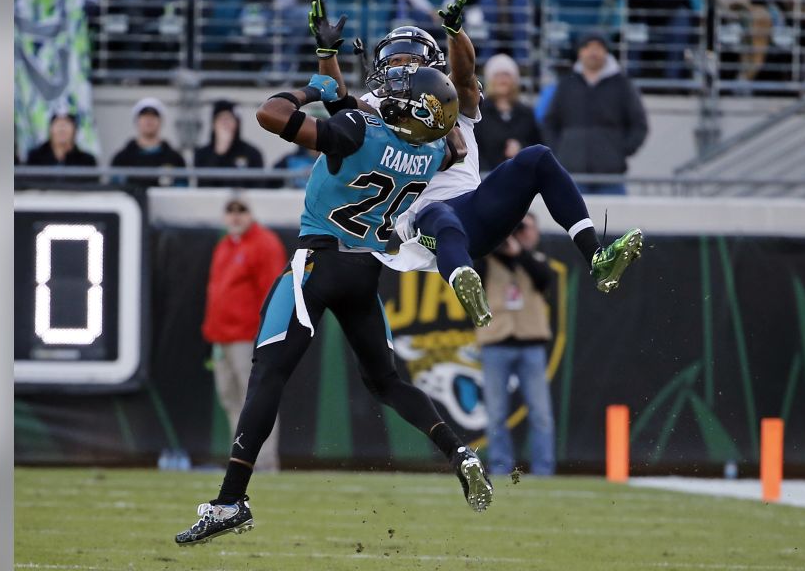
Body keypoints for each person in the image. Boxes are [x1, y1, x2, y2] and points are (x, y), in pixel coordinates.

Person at [173, 67, 494, 546]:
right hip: (365, 270)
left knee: (268, 375)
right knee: (386, 381)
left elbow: (272, 114)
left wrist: (310, 90)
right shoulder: (430, 150)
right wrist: (332, 65)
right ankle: (458, 452)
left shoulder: (361, 132)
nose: (387, 92)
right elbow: (451, 146)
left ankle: (230, 500)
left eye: (400, 92)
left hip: (318, 264)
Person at [311, 0, 645, 329]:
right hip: (419, 223)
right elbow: (338, 107)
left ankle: (597, 257)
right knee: (439, 213)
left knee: (537, 158)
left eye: (410, 59)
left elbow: (467, 77)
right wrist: (327, 55)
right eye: (394, 60)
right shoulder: (373, 105)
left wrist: (456, 32)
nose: (401, 68)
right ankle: (464, 280)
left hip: (476, 208)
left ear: (431, 66)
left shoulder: (447, 94)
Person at [202, 196, 287, 472]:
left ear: (251, 213)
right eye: (230, 211)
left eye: (241, 211)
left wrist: (268, 335)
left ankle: (264, 463)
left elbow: (274, 292)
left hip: (248, 335)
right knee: (231, 399)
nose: (235, 217)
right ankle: (240, 461)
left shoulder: (264, 243)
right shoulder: (225, 245)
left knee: (256, 400)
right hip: (222, 336)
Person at [477, 213, 556, 477]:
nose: (522, 232)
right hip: (496, 342)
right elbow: (474, 263)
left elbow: (544, 279)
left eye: (526, 228)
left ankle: (543, 469)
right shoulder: (488, 261)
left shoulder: (537, 261)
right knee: (496, 412)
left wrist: (518, 251)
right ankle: (500, 467)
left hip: (531, 343)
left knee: (541, 413)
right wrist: (499, 234)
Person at [542, 34, 648, 194]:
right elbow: (549, 122)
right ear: (580, 52)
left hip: (611, 176)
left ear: (606, 52)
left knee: (612, 219)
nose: (593, 52)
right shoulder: (566, 84)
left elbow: (639, 124)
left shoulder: (622, 85)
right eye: (588, 47)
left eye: (598, 48)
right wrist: (560, 150)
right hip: (572, 174)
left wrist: (620, 150)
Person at [474, 54, 541, 170]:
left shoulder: (526, 113)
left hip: (521, 178)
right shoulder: (478, 112)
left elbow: (539, 144)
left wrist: (522, 149)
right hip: (487, 179)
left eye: (507, 75)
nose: (502, 80)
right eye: (497, 75)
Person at [109, 97, 189, 187]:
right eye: (144, 116)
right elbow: (114, 189)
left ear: (161, 121)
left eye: (154, 116)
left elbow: (181, 190)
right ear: (136, 121)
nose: (149, 120)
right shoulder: (122, 159)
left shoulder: (174, 158)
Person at [194, 99, 267, 187]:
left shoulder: (252, 153)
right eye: (221, 119)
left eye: (229, 119)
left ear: (237, 124)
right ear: (213, 124)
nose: (225, 124)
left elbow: (258, 187)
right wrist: (219, 151)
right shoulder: (202, 154)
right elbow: (203, 186)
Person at [24, 108, 99, 181]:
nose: (62, 128)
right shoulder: (35, 158)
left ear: (75, 131)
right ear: (50, 129)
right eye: (58, 123)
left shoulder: (87, 162)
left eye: (67, 123)